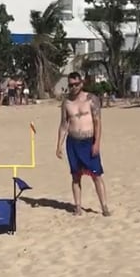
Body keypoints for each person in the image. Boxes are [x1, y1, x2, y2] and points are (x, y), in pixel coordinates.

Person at [56, 71, 111, 217]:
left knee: (96, 175)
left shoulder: (91, 99)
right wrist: (59, 145)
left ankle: (104, 206)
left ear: (81, 83)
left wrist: (96, 143)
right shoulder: (66, 103)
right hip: (73, 142)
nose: (73, 87)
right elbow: (64, 125)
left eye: (76, 84)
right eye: (71, 85)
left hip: (88, 141)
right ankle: (78, 207)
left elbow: (98, 123)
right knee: (75, 176)